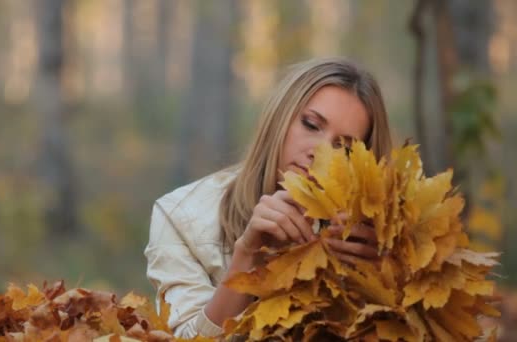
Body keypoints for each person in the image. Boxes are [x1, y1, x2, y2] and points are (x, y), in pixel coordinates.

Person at [144, 57, 393, 338]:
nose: (320, 153)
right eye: (311, 125)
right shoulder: (181, 216)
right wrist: (247, 258)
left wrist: (380, 281)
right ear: (279, 119)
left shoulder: (376, 234)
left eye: (343, 147)